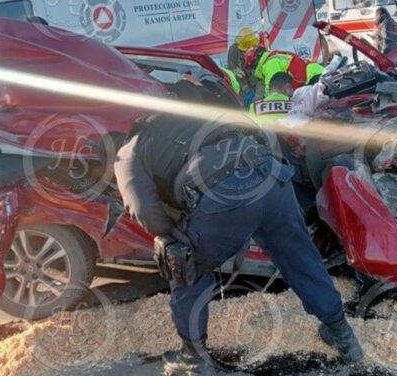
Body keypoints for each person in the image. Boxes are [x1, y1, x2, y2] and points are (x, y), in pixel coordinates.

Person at [114, 82, 363, 375]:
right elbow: (259, 132)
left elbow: (142, 208)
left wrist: (171, 236)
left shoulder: (130, 149)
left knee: (184, 264)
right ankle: (342, 335)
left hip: (225, 195)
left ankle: (193, 358)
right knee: (300, 258)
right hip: (271, 176)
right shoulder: (200, 112)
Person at [245, 46, 324, 96]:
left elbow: (273, 88)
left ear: (254, 63)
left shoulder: (269, 64)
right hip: (315, 72)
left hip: (312, 78)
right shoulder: (273, 56)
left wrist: (264, 100)